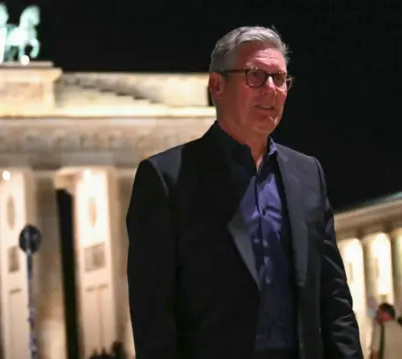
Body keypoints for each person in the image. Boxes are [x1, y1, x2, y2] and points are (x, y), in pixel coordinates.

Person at [126, 26, 362, 359]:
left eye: (279, 79)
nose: (271, 89)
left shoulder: (308, 174)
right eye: (255, 76)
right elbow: (154, 316)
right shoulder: (167, 179)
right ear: (217, 85)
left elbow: (333, 296)